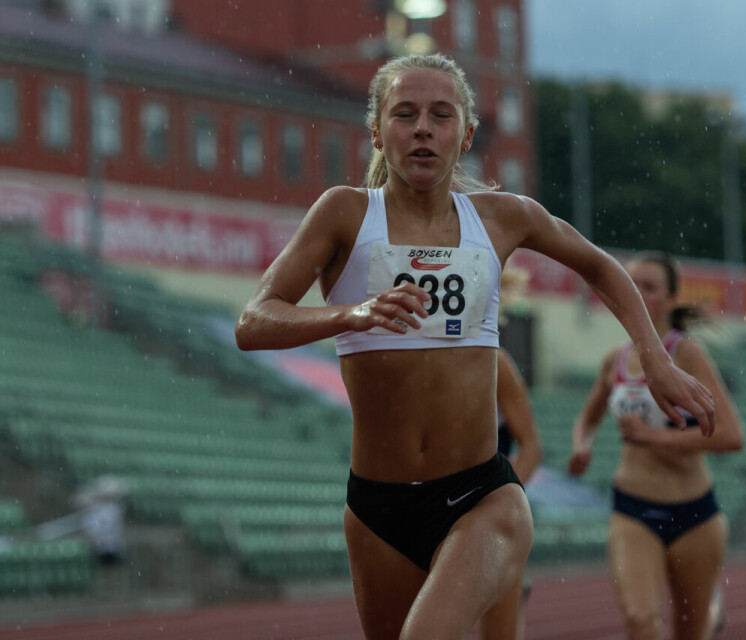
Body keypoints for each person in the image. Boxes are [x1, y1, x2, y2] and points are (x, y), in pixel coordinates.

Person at [235, 53, 715, 640]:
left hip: (479, 496)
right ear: (377, 131)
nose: (422, 129)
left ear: (465, 136)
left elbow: (599, 265)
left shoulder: (502, 218)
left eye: (441, 116)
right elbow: (254, 321)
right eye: (405, 114)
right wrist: (351, 313)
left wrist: (656, 359)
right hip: (377, 506)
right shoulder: (344, 212)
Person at [567, 252, 741, 640]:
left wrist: (655, 437)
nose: (638, 294)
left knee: (689, 630)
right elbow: (587, 418)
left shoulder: (688, 354)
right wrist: (582, 446)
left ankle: (710, 615)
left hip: (694, 513)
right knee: (640, 619)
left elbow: (731, 436)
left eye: (650, 287)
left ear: (672, 299)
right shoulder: (614, 360)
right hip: (633, 509)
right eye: (632, 285)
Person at [479, 347, 542, 640]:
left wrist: (501, 502)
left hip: (486, 515)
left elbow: (531, 447)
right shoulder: (414, 354)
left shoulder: (495, 361)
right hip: (425, 509)